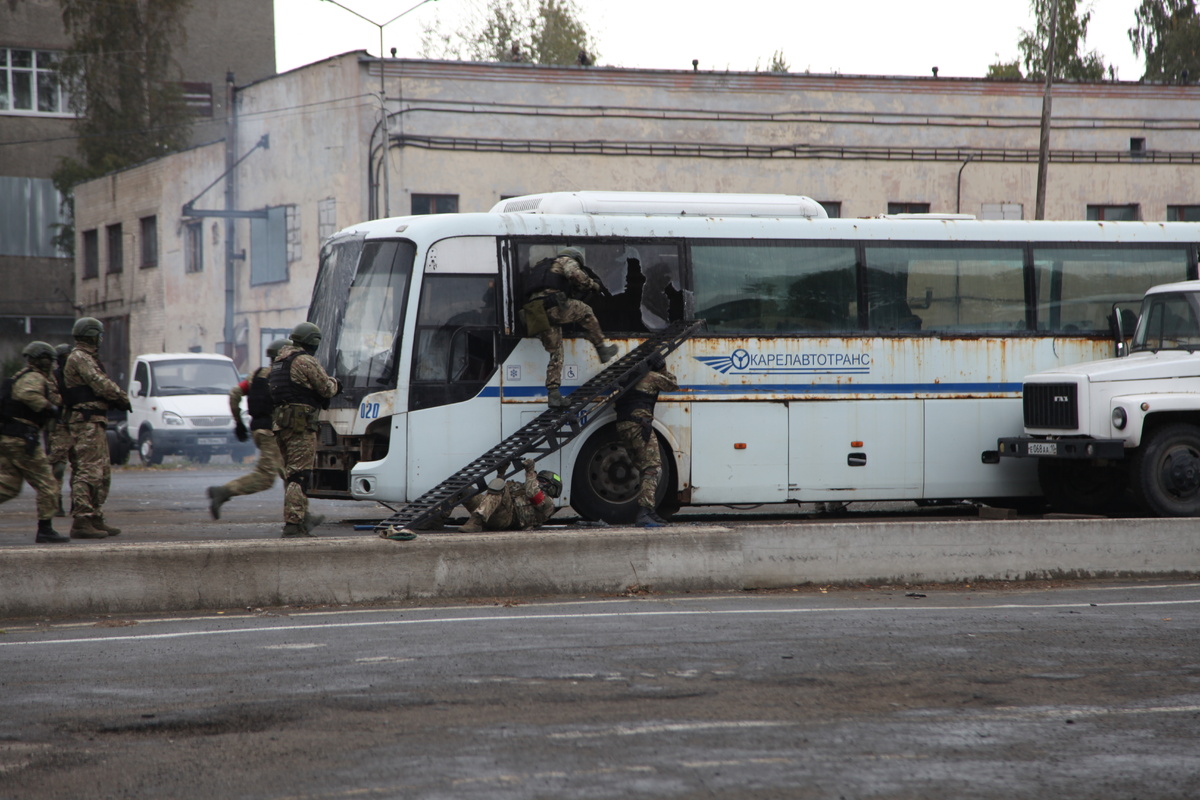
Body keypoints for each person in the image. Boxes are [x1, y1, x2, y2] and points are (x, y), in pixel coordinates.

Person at [522, 247, 618, 408]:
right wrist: (593, 285)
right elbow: (575, 275)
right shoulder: (565, 260)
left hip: (536, 313)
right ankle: (601, 348)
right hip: (553, 307)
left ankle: (554, 394)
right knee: (586, 311)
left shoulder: (542, 267)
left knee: (556, 353)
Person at [269, 322, 340, 538]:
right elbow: (326, 389)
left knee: (292, 473)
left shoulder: (279, 362)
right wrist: (336, 383)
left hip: (282, 425)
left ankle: (300, 520)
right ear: (313, 341)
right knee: (299, 475)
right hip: (300, 426)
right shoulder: (304, 360)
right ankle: (293, 524)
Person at [206, 339, 289, 520]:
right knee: (266, 477)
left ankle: (300, 515)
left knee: (289, 473)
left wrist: (239, 422)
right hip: (271, 432)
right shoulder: (283, 377)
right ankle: (224, 491)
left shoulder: (257, 375)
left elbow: (235, 393)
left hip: (259, 430)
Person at [62, 317, 130, 539]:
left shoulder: (89, 357)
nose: (101, 339)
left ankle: (94, 516)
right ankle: (81, 520)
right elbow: (99, 383)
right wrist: (120, 397)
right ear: (91, 335)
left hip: (96, 420)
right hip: (86, 422)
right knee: (88, 471)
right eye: (99, 335)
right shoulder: (80, 357)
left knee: (102, 473)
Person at [0, 341, 70, 543]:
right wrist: (49, 407)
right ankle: (45, 530)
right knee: (48, 484)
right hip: (23, 440)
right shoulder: (34, 377)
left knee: (8, 486)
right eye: (50, 360)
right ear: (43, 360)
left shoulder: (20, 376)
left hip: (9, 439)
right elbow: (27, 394)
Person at [614, 353, 678, 528]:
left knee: (644, 468)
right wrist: (662, 368)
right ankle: (644, 512)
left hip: (623, 426)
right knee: (652, 468)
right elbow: (673, 384)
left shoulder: (626, 380)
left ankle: (650, 511)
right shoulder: (652, 377)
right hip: (639, 426)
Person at [459, 458, 561, 532]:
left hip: (507, 519)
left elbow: (532, 493)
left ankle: (476, 522)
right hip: (492, 513)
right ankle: (446, 514)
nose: (538, 482)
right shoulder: (523, 488)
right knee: (461, 486)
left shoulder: (548, 504)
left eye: (543, 481)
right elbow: (494, 495)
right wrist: (501, 474)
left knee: (500, 485)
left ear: (553, 488)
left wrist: (530, 472)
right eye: (538, 480)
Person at [47, 343, 74, 517]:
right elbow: (53, 398)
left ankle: (79, 504)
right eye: (65, 357)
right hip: (60, 427)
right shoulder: (54, 377)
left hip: (78, 425)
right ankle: (56, 503)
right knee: (58, 467)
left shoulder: (78, 375)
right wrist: (70, 399)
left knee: (81, 468)